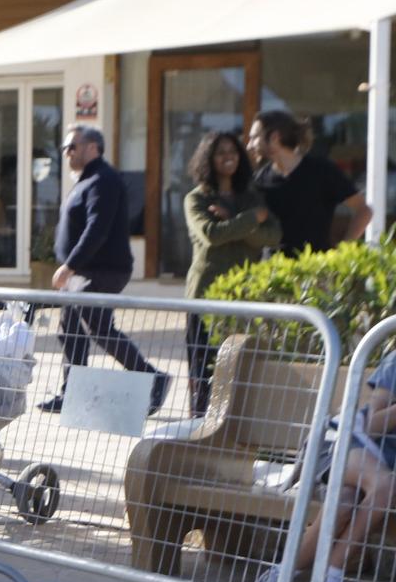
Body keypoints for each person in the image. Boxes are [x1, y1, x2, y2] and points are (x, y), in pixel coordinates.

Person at [252, 350, 396, 582]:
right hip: (344, 442)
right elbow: (372, 425)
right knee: (385, 486)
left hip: (373, 469)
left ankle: (281, 576)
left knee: (344, 503)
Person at [40, 123, 169, 416]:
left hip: (101, 270)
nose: (66, 153)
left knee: (99, 328)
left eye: (72, 146)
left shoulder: (103, 180)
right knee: (70, 329)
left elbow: (97, 229)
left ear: (92, 148)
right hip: (83, 272)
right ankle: (72, 392)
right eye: (65, 148)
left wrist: (70, 266)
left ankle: (152, 376)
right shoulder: (87, 180)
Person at [182, 132, 280, 417]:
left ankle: (230, 432)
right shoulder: (196, 198)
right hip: (204, 297)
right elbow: (213, 235)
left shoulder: (251, 197)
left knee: (237, 369)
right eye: (221, 152)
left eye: (234, 152)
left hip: (243, 296)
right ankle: (199, 430)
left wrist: (233, 221)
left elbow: (273, 236)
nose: (229, 157)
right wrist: (250, 221)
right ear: (208, 159)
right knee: (204, 372)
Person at [247, 109, 370, 258]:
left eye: (254, 138)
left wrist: (342, 252)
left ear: (274, 138)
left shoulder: (321, 170)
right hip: (273, 273)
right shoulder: (259, 179)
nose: (249, 146)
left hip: (314, 272)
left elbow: (364, 210)